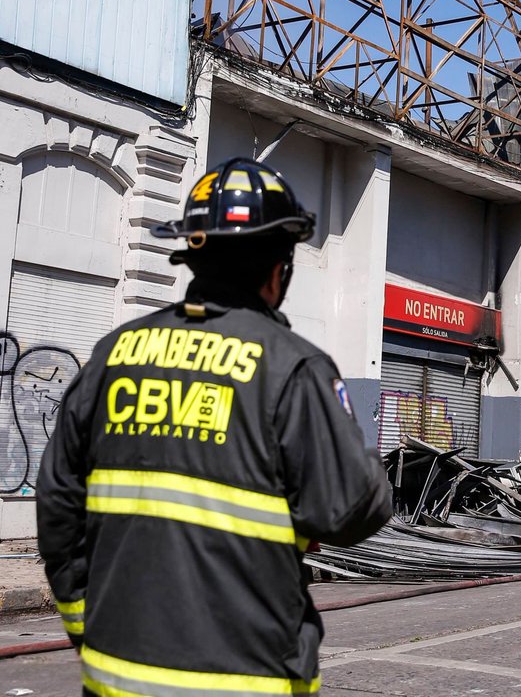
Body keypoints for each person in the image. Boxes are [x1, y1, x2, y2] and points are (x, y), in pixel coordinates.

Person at [37, 158, 393, 696]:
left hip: (115, 676)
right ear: (281, 268)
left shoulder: (113, 355)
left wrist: (86, 623)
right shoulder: (293, 368)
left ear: (194, 256)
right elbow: (347, 508)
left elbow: (59, 507)